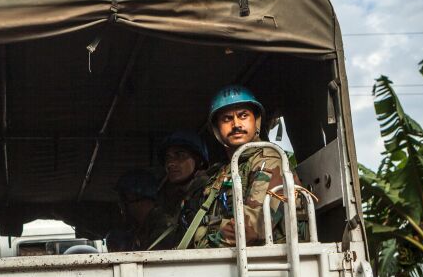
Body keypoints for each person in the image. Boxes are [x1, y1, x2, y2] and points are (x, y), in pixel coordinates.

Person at [179, 85, 302, 249]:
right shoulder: (222, 171)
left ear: (256, 121)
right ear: (216, 129)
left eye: (243, 116)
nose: (236, 124)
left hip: (266, 263)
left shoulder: (270, 159)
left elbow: (249, 227)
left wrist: (204, 244)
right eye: (227, 119)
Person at [113, 169, 176, 251]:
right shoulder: (139, 228)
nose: (121, 204)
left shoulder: (162, 227)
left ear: (136, 197)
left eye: (124, 198)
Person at [156, 130, 211, 222]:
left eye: (180, 155)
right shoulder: (169, 199)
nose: (170, 163)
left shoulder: (209, 193)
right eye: (167, 157)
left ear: (199, 160)